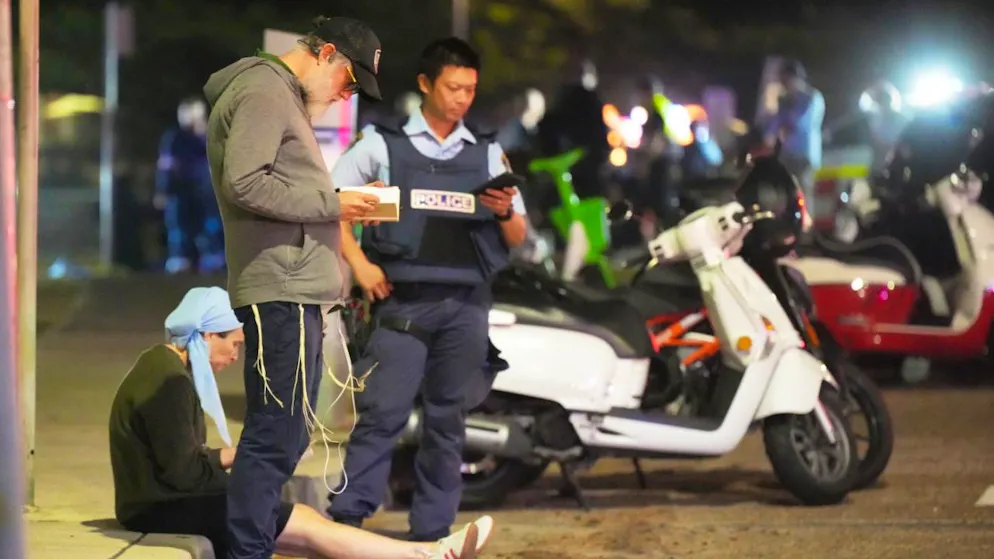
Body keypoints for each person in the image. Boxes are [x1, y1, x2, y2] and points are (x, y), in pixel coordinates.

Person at [108, 286, 493, 559]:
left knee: (299, 527)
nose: (236, 355)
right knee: (296, 522)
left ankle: (423, 553)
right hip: (157, 506)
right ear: (209, 334)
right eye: (234, 343)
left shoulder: (162, 367)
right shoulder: (170, 382)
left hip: (156, 499)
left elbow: (179, 461)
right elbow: (183, 473)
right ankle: (425, 555)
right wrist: (246, 463)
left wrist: (240, 456)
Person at [326, 37, 528, 542]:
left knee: (448, 421)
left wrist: (504, 210)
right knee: (382, 415)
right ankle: (345, 524)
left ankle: (432, 534)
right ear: (425, 84)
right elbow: (329, 206)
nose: (462, 98)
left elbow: (518, 235)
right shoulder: (381, 144)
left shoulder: (487, 152)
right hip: (401, 304)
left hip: (466, 305)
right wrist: (360, 265)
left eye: (470, 90)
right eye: (453, 87)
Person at [202, 15, 387, 559]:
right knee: (275, 433)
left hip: (291, 285)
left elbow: (276, 185)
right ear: (326, 53)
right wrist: (334, 204)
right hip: (279, 285)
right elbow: (245, 182)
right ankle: (248, 552)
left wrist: (343, 203)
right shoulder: (264, 89)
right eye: (349, 80)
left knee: (284, 432)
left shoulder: (280, 94)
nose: (347, 94)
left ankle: (251, 547)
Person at [155, 97, 224, 275]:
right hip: (180, 191)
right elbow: (166, 166)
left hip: (207, 191)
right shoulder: (174, 138)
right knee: (179, 227)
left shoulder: (211, 135)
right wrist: (162, 189)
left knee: (211, 225)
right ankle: (180, 260)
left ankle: (213, 258)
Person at [763, 59, 825, 212]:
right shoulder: (784, 100)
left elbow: (802, 122)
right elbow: (776, 123)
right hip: (787, 154)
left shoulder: (812, 97)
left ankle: (805, 224)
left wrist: (787, 111)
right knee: (784, 194)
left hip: (805, 154)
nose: (783, 84)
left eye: (785, 80)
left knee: (803, 194)